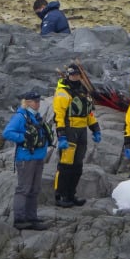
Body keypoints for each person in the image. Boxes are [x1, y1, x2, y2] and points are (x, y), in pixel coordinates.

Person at [2, 90, 54, 231]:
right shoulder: (20, 117)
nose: (38, 104)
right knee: (24, 189)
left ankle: (32, 218)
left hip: (38, 157)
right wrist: (23, 138)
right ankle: (19, 220)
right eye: (35, 101)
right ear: (27, 102)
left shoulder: (36, 116)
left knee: (35, 189)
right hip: (26, 158)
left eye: (38, 101)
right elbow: (7, 133)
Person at [51, 64, 102, 207]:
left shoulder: (83, 90)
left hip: (81, 131)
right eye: (72, 75)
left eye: (77, 75)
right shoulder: (62, 92)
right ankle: (60, 195)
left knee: (78, 165)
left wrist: (95, 129)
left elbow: (89, 113)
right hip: (69, 130)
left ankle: (71, 194)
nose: (75, 77)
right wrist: (61, 135)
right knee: (65, 165)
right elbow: (59, 115)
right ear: (68, 75)